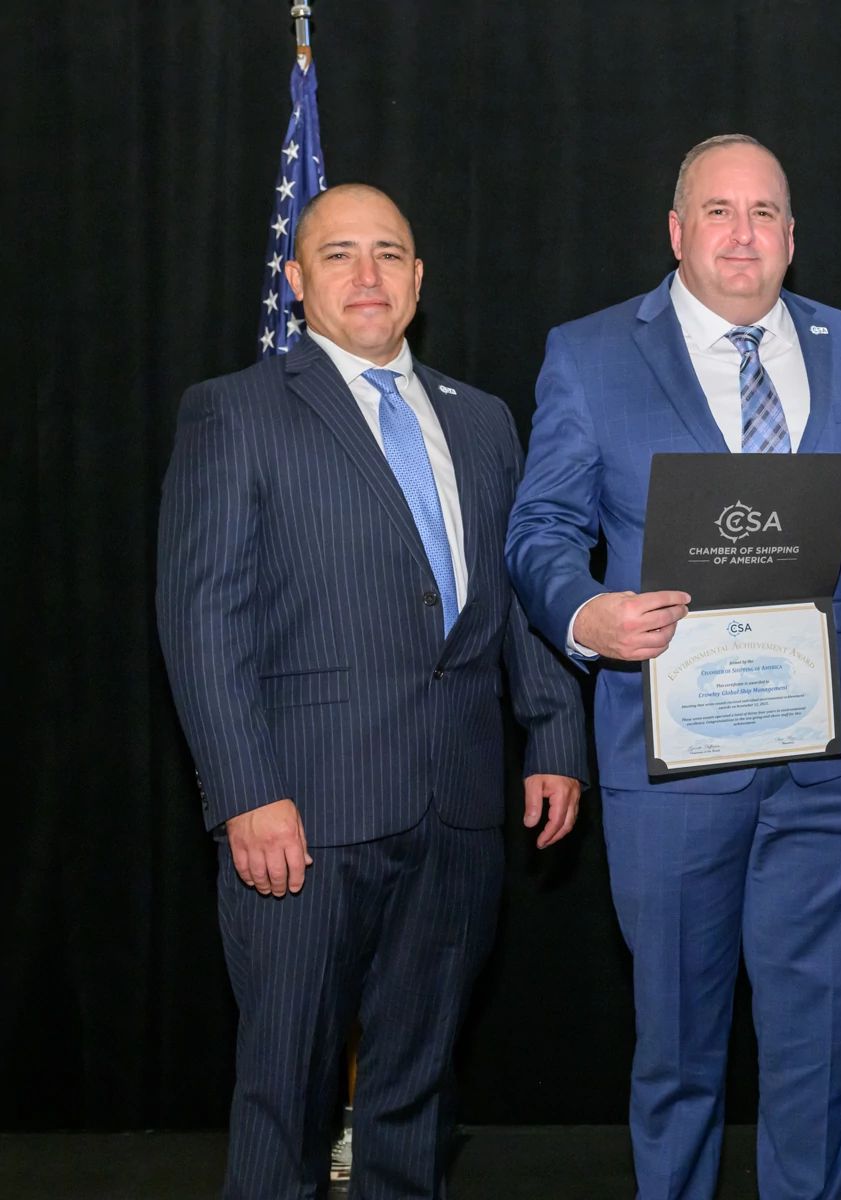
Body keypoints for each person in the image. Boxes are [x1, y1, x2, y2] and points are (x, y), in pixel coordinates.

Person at [157, 182, 588, 1198]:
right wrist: (246, 792)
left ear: (419, 279)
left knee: (417, 1091)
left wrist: (554, 735)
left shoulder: (483, 421)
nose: (367, 275)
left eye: (389, 253)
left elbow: (514, 595)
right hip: (302, 816)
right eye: (339, 254)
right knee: (286, 1091)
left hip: (458, 809)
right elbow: (200, 619)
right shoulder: (234, 411)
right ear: (296, 280)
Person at [504, 134, 841, 1200]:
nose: (742, 234)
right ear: (676, 232)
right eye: (718, 212)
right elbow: (540, 528)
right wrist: (585, 611)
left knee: (818, 1053)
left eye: (765, 213)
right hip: (670, 758)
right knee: (678, 1051)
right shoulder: (589, 353)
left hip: (822, 765)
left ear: (791, 236)